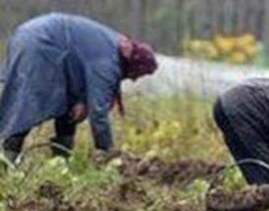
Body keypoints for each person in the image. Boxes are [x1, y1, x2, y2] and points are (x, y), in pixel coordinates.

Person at [1, 13, 157, 163]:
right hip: (41, 43)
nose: (135, 79)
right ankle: (6, 163)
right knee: (27, 105)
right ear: (134, 65)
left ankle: (60, 164)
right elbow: (98, 112)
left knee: (68, 107)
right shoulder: (109, 61)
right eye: (138, 74)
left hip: (36, 38)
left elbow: (81, 66)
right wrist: (108, 152)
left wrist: (82, 101)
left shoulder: (114, 45)